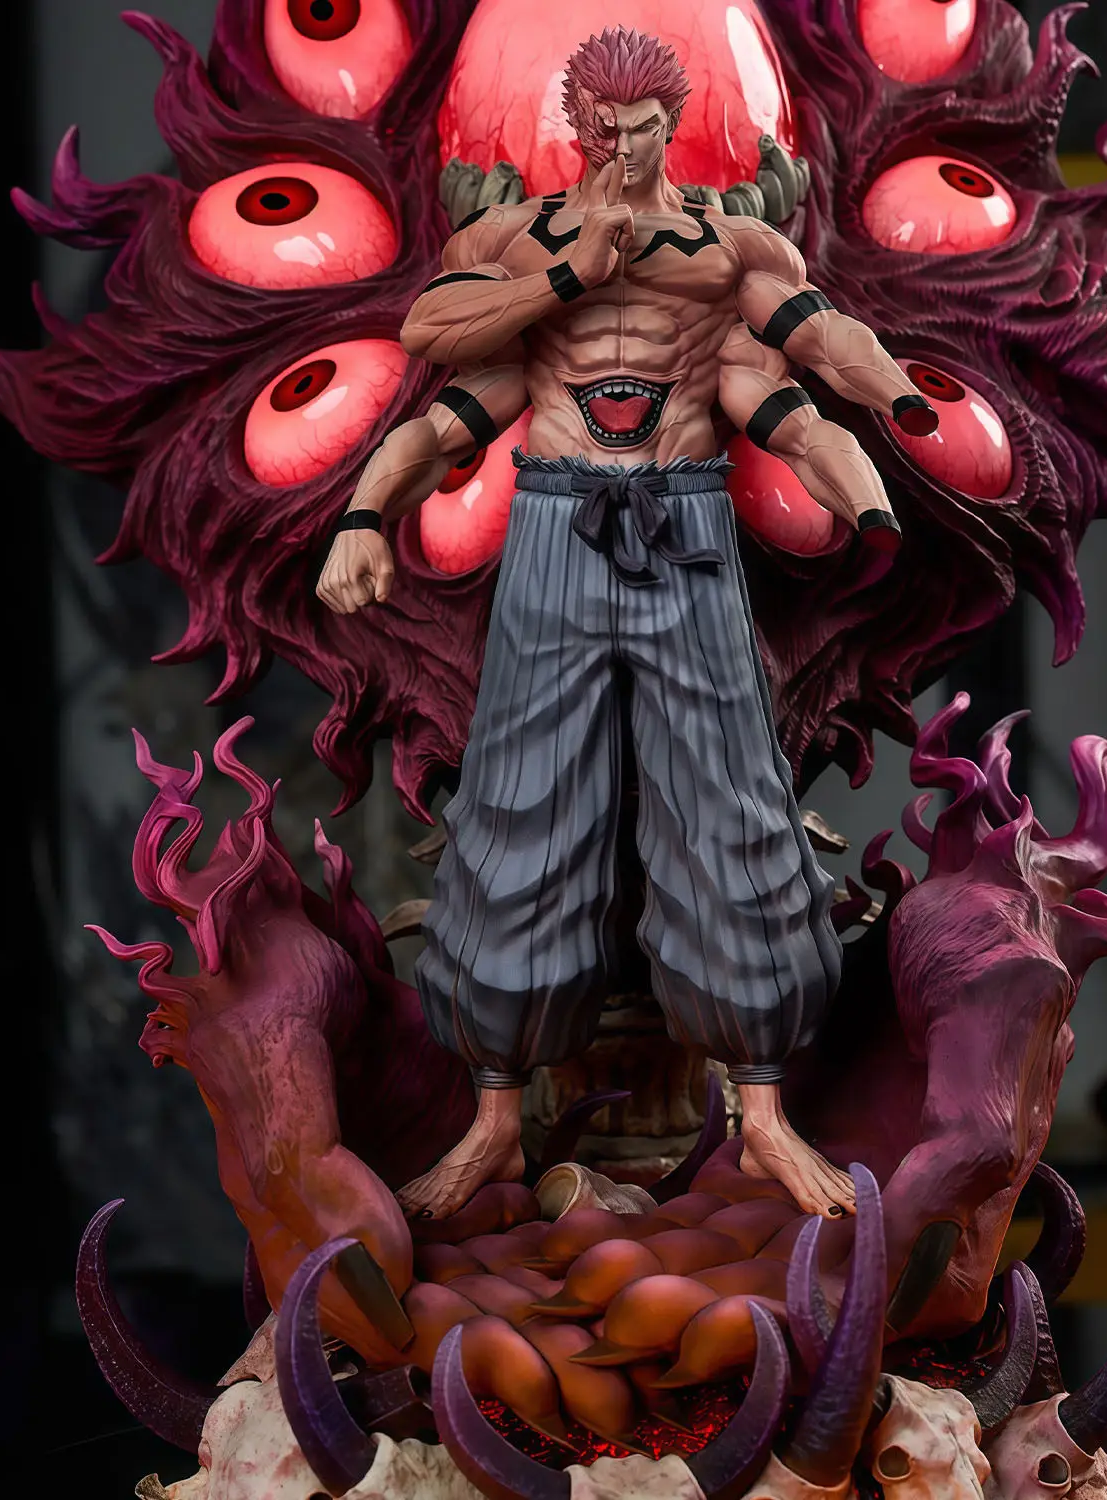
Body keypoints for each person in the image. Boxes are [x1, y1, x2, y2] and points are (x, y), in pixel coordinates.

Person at [316, 26, 939, 1220]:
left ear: (670, 122)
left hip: (687, 521)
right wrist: (360, 518)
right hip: (556, 521)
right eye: (602, 129)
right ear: (579, 124)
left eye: (641, 128)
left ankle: (765, 1115)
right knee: (521, 800)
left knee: (729, 795)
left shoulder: (733, 247)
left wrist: (893, 415)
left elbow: (811, 354)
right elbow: (432, 353)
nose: (622, 146)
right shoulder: (515, 242)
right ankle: (494, 1123)